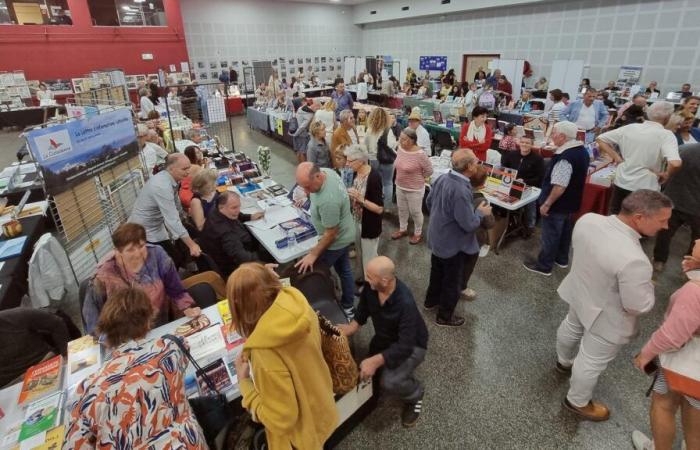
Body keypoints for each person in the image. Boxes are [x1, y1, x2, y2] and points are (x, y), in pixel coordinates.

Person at [555, 190, 672, 421]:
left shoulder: (588, 219)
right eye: (663, 220)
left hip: (580, 292)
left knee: (571, 326)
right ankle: (577, 401)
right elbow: (637, 306)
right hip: (607, 315)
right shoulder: (635, 260)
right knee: (590, 360)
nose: (667, 227)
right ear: (639, 217)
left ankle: (563, 361)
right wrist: (649, 287)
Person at [66, 287, 207, 449]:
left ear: (105, 328)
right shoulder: (169, 349)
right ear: (147, 321)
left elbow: (74, 444)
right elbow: (183, 347)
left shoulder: (86, 391)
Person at [228, 263, 338, 449]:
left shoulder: (265, 353)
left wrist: (244, 382)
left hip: (300, 437)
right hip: (322, 406)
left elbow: (281, 419)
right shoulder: (297, 303)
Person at [337, 256, 428, 427]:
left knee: (390, 382)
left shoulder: (405, 302)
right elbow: (363, 307)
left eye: (370, 277)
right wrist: (353, 327)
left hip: (412, 346)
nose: (366, 279)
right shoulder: (372, 288)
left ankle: (416, 393)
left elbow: (405, 345)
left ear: (385, 280)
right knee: (368, 369)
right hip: (386, 338)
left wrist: (375, 360)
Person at [631, 239, 700, 450]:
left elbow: (672, 336)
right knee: (695, 423)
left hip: (684, 361)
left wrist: (646, 353)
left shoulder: (694, 291)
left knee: (664, 405)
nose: (696, 239)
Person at [82, 223, 199, 334]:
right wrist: (109, 338)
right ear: (118, 251)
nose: (138, 253)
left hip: (161, 325)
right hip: (124, 335)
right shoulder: (105, 274)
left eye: (141, 246)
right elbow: (93, 319)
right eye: (130, 250)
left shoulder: (157, 255)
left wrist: (186, 308)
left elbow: (176, 290)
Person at [424, 149, 491, 326]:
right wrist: (480, 213)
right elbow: (469, 224)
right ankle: (444, 317)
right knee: (452, 281)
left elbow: (429, 202)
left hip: (437, 236)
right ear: (469, 166)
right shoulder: (461, 189)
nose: (478, 164)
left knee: (436, 272)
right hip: (453, 244)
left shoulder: (442, 178)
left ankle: (430, 302)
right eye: (476, 162)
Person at [523, 121, 590, 276]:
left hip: (557, 204)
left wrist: (547, 204)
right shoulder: (581, 151)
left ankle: (544, 266)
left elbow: (559, 186)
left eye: (554, 133)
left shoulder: (565, 157)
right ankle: (561, 259)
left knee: (550, 235)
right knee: (565, 232)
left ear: (562, 136)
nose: (551, 135)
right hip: (571, 201)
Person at [597, 101, 681, 214]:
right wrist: (666, 174)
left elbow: (601, 138)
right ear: (668, 117)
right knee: (639, 220)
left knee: (616, 215)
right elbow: (675, 163)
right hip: (646, 185)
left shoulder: (631, 128)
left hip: (622, 180)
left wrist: (617, 157)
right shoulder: (666, 135)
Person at [295, 163, 356, 318]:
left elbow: (331, 234)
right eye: (303, 187)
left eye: (308, 187)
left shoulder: (329, 201)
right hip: (346, 231)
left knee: (314, 271)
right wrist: (307, 198)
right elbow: (315, 194)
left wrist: (313, 255)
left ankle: (324, 304)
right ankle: (349, 305)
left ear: (317, 176)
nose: (306, 191)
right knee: (345, 270)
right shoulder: (327, 171)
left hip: (336, 241)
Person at [129, 153, 202, 265]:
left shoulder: (171, 178)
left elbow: (176, 201)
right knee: (171, 261)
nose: (188, 172)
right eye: (184, 169)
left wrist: (184, 218)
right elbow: (172, 220)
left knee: (174, 259)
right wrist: (192, 245)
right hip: (143, 231)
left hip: (156, 227)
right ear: (171, 168)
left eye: (189, 168)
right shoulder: (161, 186)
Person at [651, 143, 700, 273]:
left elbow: (669, 167)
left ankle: (659, 261)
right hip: (697, 207)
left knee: (665, 232)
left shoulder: (683, 149)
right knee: (697, 239)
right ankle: (690, 265)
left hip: (674, 198)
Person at [0, 307, 77, 387]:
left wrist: (67, 354)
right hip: (10, 386)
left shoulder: (13, 317)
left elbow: (56, 323)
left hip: (44, 365)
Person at [198, 191, 266, 278]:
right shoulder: (226, 233)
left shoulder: (217, 208)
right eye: (234, 208)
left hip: (230, 251)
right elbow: (243, 258)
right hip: (233, 267)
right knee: (270, 255)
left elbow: (236, 214)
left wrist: (249, 217)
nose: (238, 210)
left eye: (239, 206)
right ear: (221, 207)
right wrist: (265, 256)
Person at [344, 145, 384, 278]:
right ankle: (362, 278)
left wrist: (360, 199)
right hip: (357, 220)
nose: (347, 164)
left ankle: (371, 286)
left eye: (350, 161)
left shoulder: (374, 178)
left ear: (361, 161)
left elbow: (379, 209)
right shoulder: (356, 172)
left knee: (369, 258)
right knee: (360, 253)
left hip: (369, 224)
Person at [391, 128, 433, 245]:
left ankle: (418, 233)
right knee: (402, 209)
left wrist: (420, 177)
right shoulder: (400, 148)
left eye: (403, 139)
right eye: (400, 138)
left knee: (415, 212)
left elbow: (429, 171)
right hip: (400, 185)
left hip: (414, 189)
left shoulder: (420, 154)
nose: (400, 141)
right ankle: (402, 229)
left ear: (411, 141)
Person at [502, 136, 545, 236]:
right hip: (510, 184)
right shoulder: (511, 155)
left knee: (531, 203)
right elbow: (504, 168)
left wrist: (524, 181)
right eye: (522, 142)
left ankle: (530, 226)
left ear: (532, 145)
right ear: (519, 143)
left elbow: (540, 178)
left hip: (529, 186)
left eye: (527, 143)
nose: (524, 145)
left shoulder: (538, 159)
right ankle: (507, 222)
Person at [364, 107, 398, 205]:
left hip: (373, 160)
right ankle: (387, 206)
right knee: (388, 183)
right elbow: (392, 145)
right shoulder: (388, 130)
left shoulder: (369, 130)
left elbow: (365, 146)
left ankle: (376, 203)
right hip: (387, 160)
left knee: (376, 183)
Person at [178, 145, 206, 211]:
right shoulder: (195, 167)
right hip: (190, 195)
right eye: (197, 153)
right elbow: (207, 178)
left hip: (183, 193)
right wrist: (207, 165)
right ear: (191, 155)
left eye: (199, 152)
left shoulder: (187, 165)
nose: (200, 154)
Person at [290, 97, 315, 164]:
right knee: (303, 152)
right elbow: (303, 126)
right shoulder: (308, 113)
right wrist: (296, 133)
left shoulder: (298, 110)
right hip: (303, 134)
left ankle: (300, 165)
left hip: (297, 133)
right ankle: (304, 166)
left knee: (298, 151)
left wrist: (295, 134)